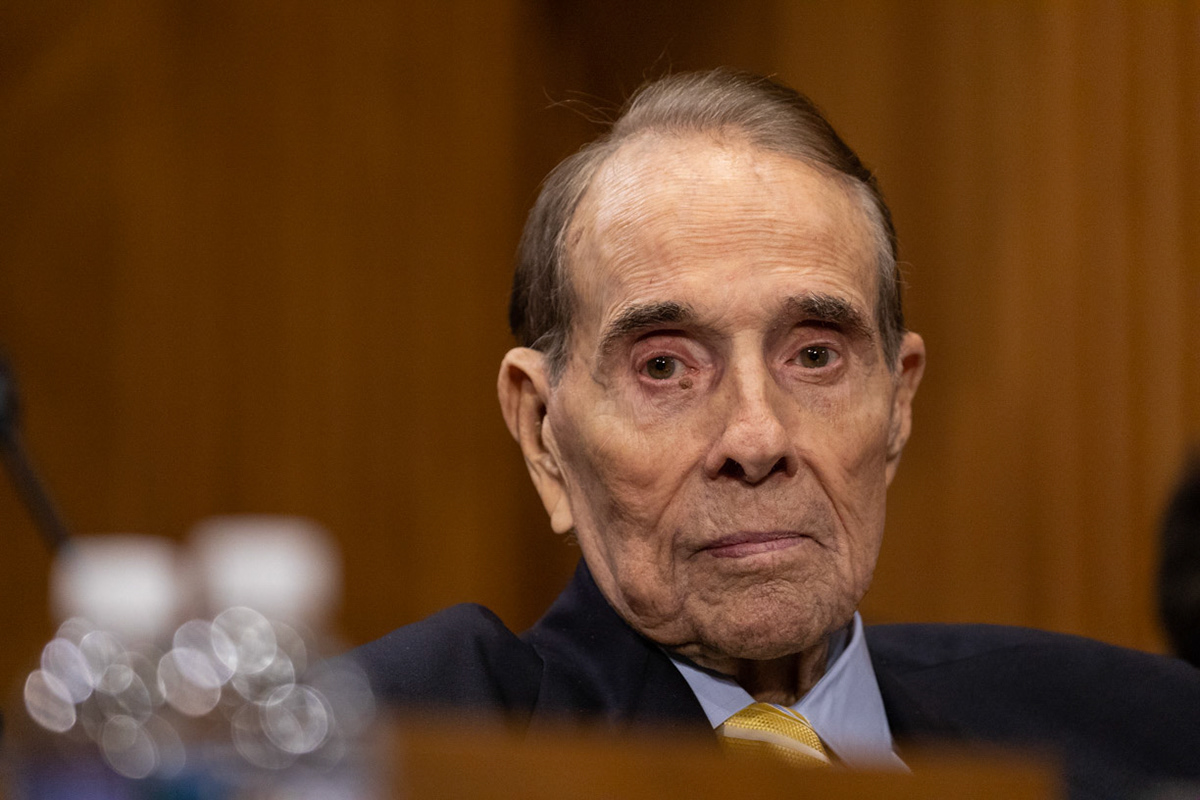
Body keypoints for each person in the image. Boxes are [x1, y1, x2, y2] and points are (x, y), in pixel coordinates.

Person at [354, 69, 1200, 799]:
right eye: (664, 368)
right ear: (543, 433)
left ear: (898, 403)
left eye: (816, 355)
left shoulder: (1147, 733)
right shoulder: (387, 742)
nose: (757, 439)